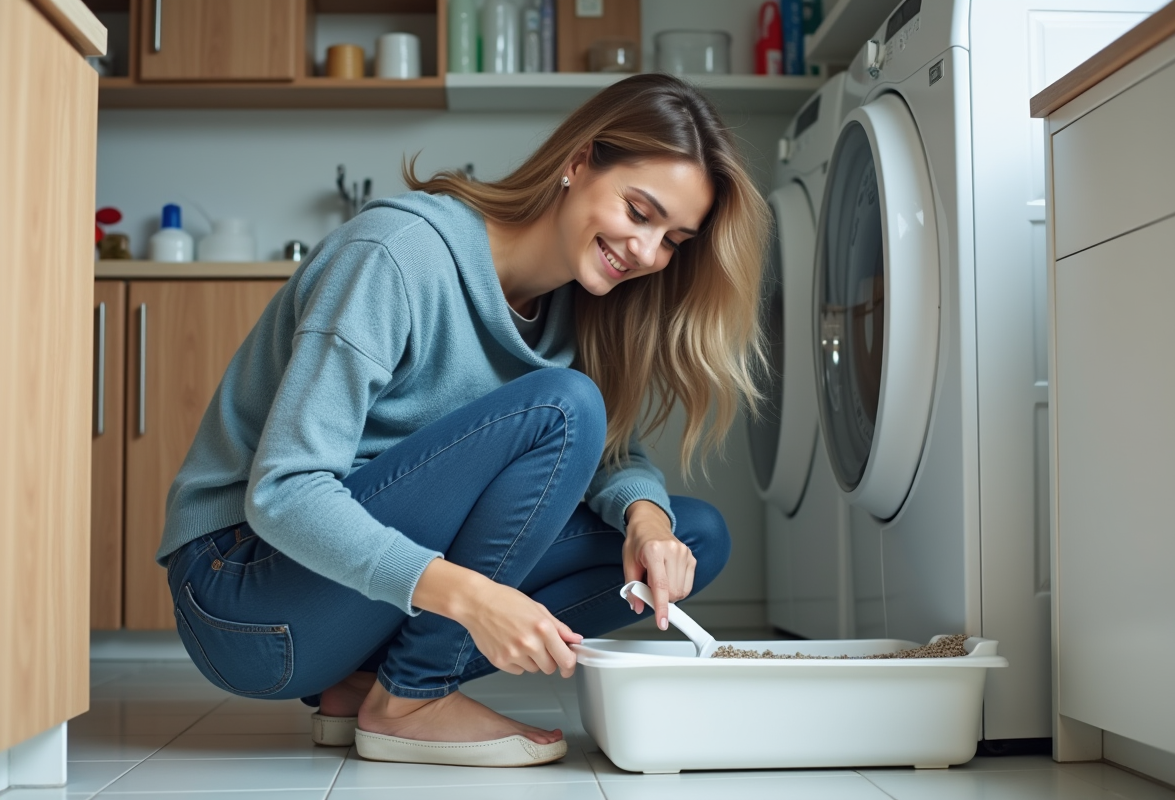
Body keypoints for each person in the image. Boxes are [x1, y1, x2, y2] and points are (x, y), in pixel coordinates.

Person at [157, 73, 768, 768]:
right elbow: (285, 492)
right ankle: (413, 698)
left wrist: (648, 523)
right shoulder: (397, 253)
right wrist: (475, 600)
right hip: (245, 596)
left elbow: (608, 454)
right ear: (578, 161)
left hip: (352, 606)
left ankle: (365, 684)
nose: (647, 253)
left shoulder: (579, 308)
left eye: (673, 240)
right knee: (564, 406)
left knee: (694, 535)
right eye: (638, 211)